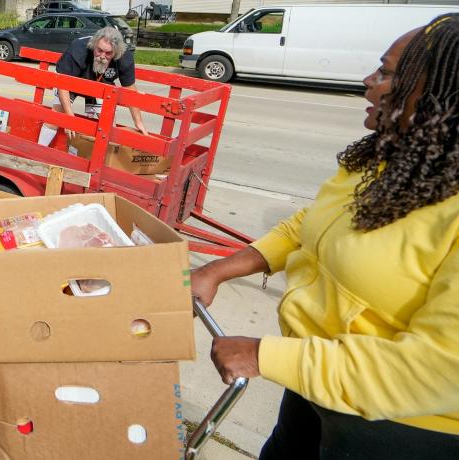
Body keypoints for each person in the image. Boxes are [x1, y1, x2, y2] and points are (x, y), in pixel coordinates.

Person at [192, 14, 459, 459]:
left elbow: (440, 369)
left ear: (440, 95)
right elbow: (308, 225)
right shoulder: (388, 160)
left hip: (399, 426)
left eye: (388, 73)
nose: (368, 81)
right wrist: (218, 270)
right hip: (318, 379)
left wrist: (266, 356)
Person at [38, 27, 147, 146]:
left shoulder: (124, 57)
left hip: (100, 84)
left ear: (117, 52)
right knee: (57, 116)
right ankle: (39, 151)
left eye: (108, 53)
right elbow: (63, 84)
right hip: (73, 81)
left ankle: (93, 156)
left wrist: (138, 122)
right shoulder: (77, 49)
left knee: (108, 124)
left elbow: (130, 89)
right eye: (99, 50)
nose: (102, 56)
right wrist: (69, 117)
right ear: (94, 44)